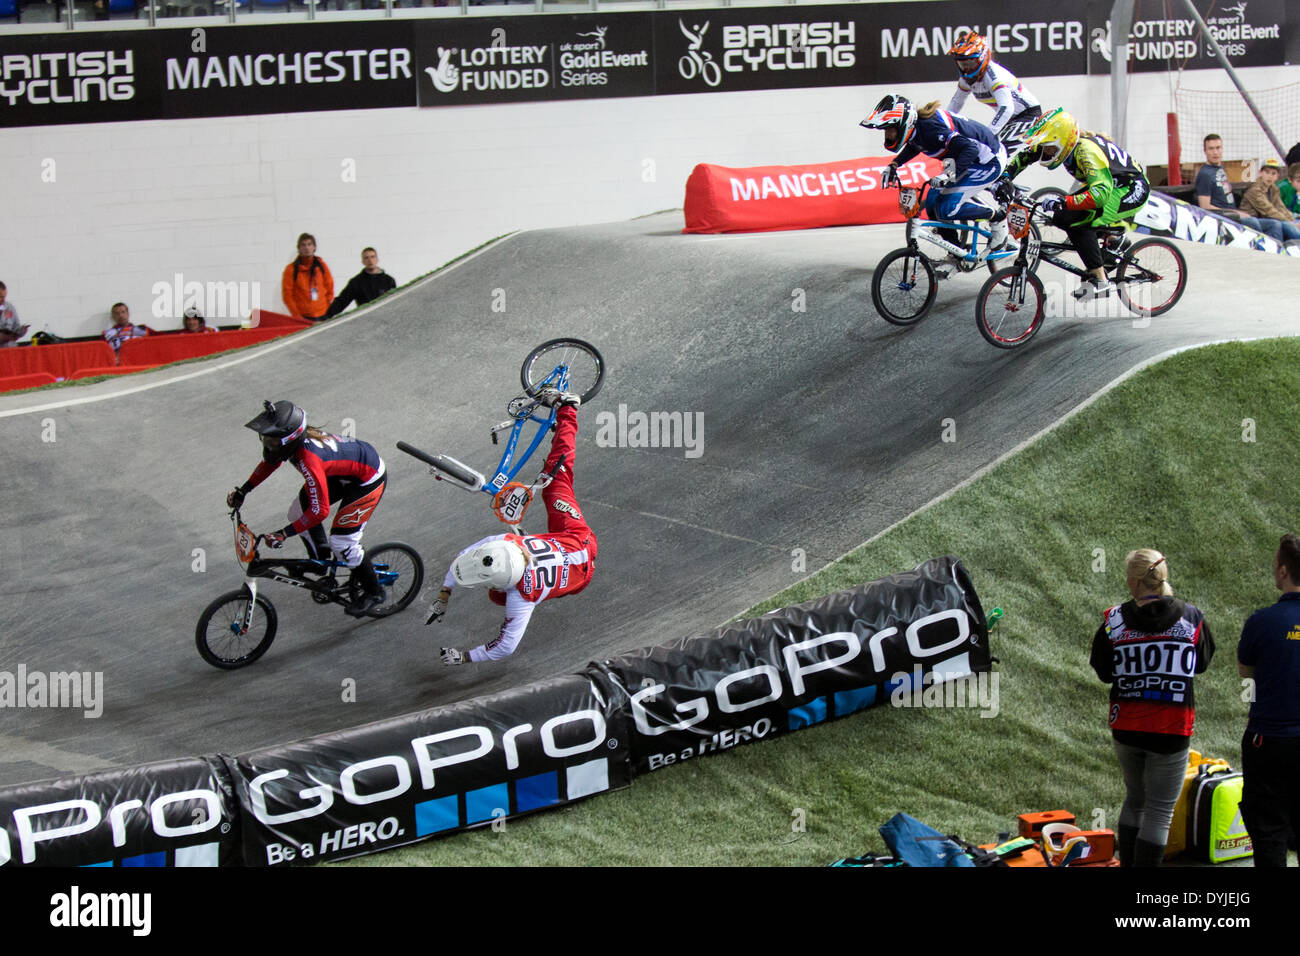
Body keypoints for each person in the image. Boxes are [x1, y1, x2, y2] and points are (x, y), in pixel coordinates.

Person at [429, 387, 595, 665]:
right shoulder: (507, 543)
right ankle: (568, 409)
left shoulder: (520, 597)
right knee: (556, 480)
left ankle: (567, 412)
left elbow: (506, 647)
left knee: (497, 598)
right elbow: (503, 647)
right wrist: (463, 657)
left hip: (575, 562)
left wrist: (445, 598)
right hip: (579, 543)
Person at [1090, 549, 1214, 867]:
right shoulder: (1191, 618)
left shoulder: (1113, 620)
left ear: (1133, 582)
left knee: (1135, 798)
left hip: (1127, 728)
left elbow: (1104, 672)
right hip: (1171, 730)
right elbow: (1200, 664)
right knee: (1159, 810)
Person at [226, 400, 389, 617]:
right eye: (265, 438)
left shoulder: (309, 460)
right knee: (296, 512)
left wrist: (284, 533)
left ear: (288, 440)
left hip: (367, 480)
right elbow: (270, 464)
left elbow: (320, 511)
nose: (267, 443)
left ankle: (375, 591)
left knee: (342, 541)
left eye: (272, 440)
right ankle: (320, 561)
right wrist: (243, 491)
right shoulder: (292, 448)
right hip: (343, 473)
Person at [998, 107, 1150, 300]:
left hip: (1131, 189)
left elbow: (1100, 195)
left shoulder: (1086, 152)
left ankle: (1100, 279)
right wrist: (1004, 178)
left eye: (1049, 148)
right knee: (1063, 218)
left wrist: (1065, 201)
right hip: (1112, 186)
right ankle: (1113, 241)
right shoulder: (1061, 144)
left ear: (1062, 142)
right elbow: (1024, 156)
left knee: (1077, 222)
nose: (1045, 152)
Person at [863, 93, 1010, 253]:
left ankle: (998, 217)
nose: (887, 135)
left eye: (890, 130)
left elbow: (970, 149)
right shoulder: (917, 128)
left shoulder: (930, 129)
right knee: (932, 203)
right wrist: (894, 164)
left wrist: (947, 176)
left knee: (947, 208)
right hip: (963, 159)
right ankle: (956, 252)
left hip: (988, 161)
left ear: (904, 124)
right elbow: (915, 146)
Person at [1236, 533, 1300, 867]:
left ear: (1285, 571)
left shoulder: (1261, 622)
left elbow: (1246, 673)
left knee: (1269, 833)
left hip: (1270, 742)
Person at [946, 32, 1043, 151]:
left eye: (970, 63)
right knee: (987, 153)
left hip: (1028, 115)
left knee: (995, 153)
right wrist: (943, 124)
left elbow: (1007, 108)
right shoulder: (966, 78)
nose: (967, 69)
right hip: (1011, 118)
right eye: (962, 64)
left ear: (983, 58)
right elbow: (956, 103)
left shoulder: (993, 76)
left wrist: (987, 134)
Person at [1195, 134, 1279, 240]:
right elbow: (1204, 206)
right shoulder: (1205, 174)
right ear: (1205, 151)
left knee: (1274, 224)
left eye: (1218, 148)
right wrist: (1235, 213)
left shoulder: (1219, 167)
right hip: (1222, 219)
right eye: (1211, 149)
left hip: (1233, 214)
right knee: (1251, 222)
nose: (1215, 152)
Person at [323, 247, 398, 319]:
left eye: (372, 257)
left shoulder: (389, 280)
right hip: (365, 321)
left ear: (377, 259)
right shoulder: (356, 282)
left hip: (385, 320)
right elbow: (342, 301)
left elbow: (395, 303)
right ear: (363, 261)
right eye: (366, 258)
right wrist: (326, 316)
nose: (370, 260)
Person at [1239, 159, 1300, 242]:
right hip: (1252, 220)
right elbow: (1268, 210)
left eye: (1273, 173)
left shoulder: (1274, 189)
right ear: (1260, 173)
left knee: (1292, 223)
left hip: (1267, 218)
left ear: (1277, 176)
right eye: (1267, 172)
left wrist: (1292, 219)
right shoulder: (1254, 189)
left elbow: (1281, 207)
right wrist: (1290, 222)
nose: (1270, 176)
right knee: (1279, 224)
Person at [281, 233, 334, 321]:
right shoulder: (291, 270)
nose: (307, 248)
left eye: (309, 244)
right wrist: (297, 315)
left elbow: (330, 286)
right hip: (303, 317)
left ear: (314, 247)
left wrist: (328, 307)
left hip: (324, 314)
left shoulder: (322, 266)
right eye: (303, 245)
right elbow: (287, 295)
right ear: (299, 249)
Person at [0, 281, 28, 348]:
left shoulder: (9, 307)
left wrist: (21, 331)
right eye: (0, 297)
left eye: (4, 297)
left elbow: (16, 326)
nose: (3, 300)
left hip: (11, 350)